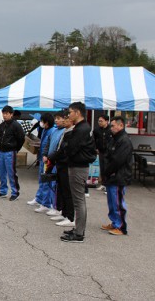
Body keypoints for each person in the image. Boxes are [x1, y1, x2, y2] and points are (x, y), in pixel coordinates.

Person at [60, 102, 96, 243]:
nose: (68, 115)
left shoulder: (81, 129)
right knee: (77, 200)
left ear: (77, 113)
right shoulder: (81, 127)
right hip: (77, 165)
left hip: (78, 167)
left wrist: (66, 146)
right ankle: (78, 229)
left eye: (70, 112)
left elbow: (70, 148)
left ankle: (79, 233)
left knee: (79, 200)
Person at [101, 116, 132, 236]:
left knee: (118, 202)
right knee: (112, 202)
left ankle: (121, 226)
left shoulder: (124, 140)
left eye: (113, 126)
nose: (111, 128)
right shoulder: (114, 138)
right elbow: (108, 155)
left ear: (121, 126)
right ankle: (114, 222)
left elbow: (117, 160)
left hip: (119, 176)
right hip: (111, 175)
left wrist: (107, 172)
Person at [0, 105, 25, 201]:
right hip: (1, 151)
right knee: (1, 172)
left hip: (10, 152)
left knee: (11, 173)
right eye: (3, 113)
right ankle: (3, 190)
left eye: (7, 113)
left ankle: (15, 192)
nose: (5, 115)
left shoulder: (16, 125)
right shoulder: (1, 126)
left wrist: (16, 149)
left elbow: (21, 139)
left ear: (11, 114)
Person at [32, 113, 56, 213]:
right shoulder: (45, 130)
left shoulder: (52, 131)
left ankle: (46, 203)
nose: (41, 123)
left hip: (48, 159)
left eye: (42, 121)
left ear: (47, 122)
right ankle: (39, 199)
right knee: (42, 180)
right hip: (43, 158)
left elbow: (50, 146)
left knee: (46, 181)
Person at [93, 114, 113, 191]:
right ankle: (103, 184)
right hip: (101, 151)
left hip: (109, 152)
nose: (99, 122)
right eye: (99, 121)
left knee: (108, 168)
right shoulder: (97, 130)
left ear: (107, 121)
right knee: (102, 168)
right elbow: (93, 139)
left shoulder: (111, 129)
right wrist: (96, 148)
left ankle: (109, 185)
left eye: (101, 121)